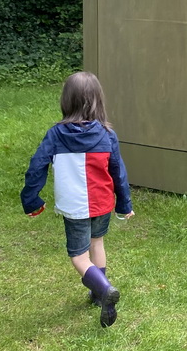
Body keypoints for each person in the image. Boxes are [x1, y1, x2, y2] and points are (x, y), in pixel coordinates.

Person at [21, 71, 134, 327]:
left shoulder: (56, 134)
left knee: (78, 256)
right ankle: (97, 295)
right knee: (97, 243)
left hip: (75, 208)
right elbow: (119, 172)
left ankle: (103, 290)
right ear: (98, 101)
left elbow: (36, 166)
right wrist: (124, 204)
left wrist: (31, 200)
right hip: (102, 204)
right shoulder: (107, 134)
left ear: (66, 101)